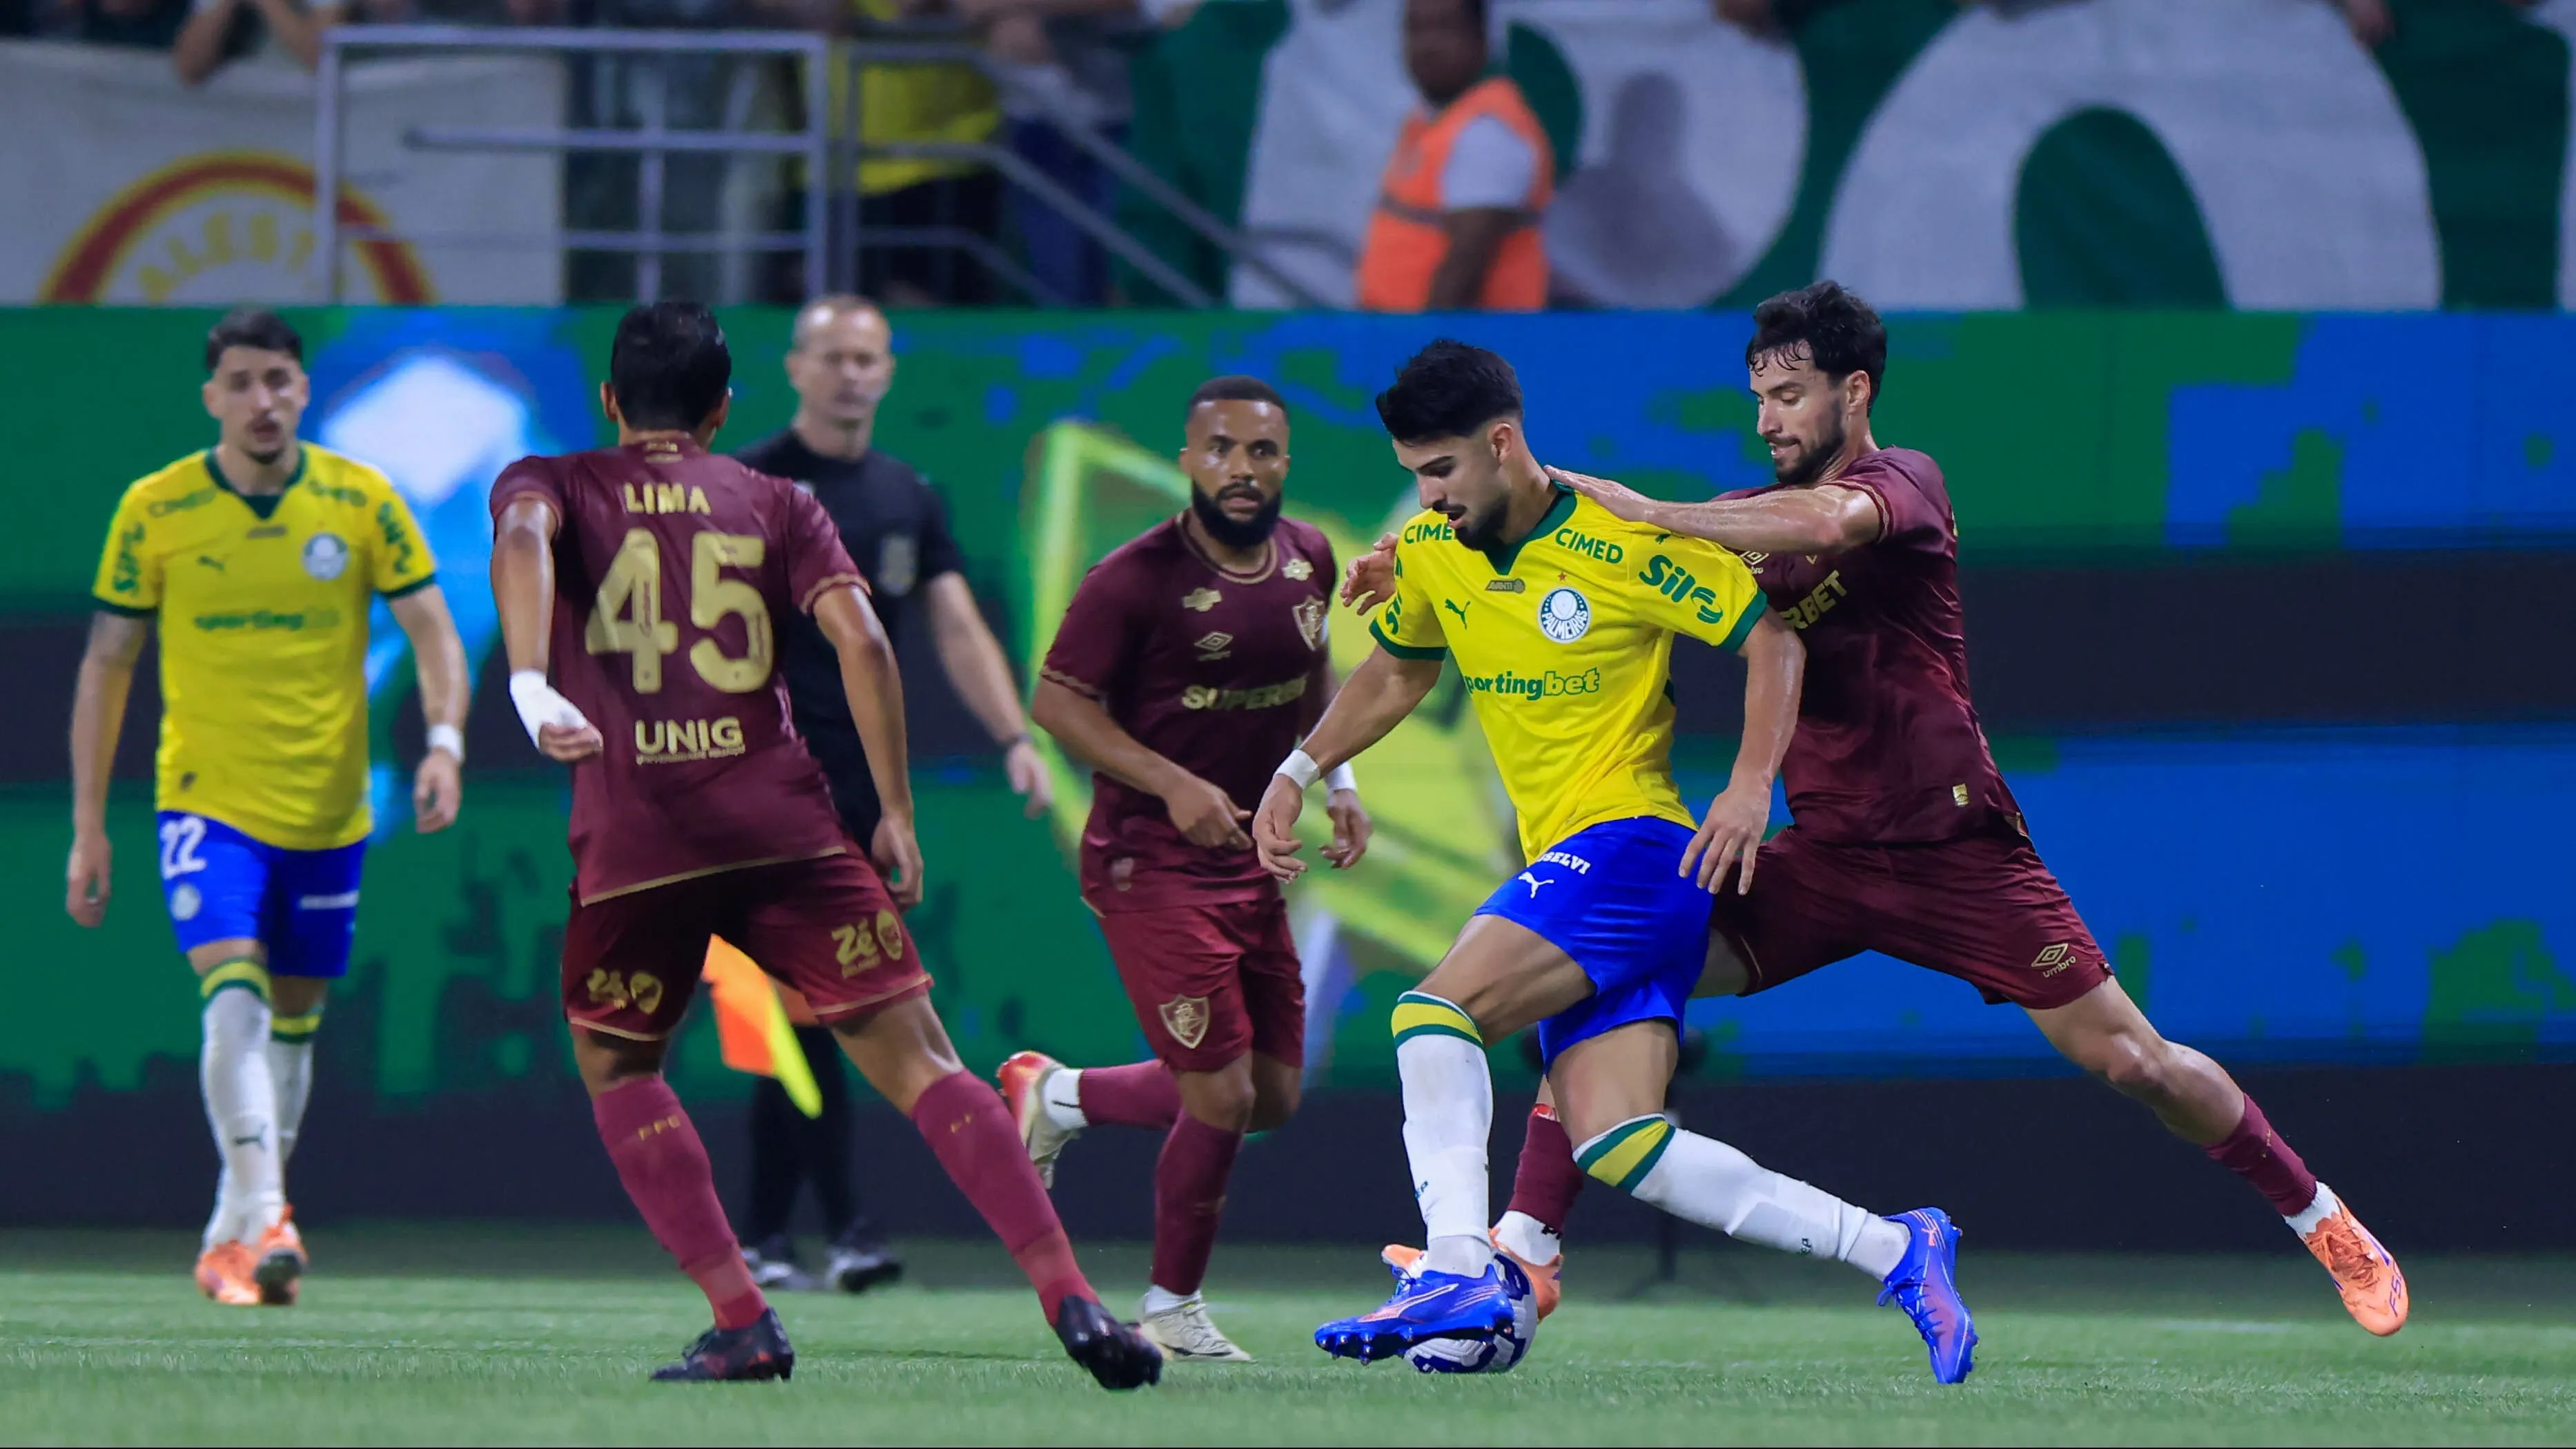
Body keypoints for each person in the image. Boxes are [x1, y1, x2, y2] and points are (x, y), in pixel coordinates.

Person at [1345, 282, 2412, 1339]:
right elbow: (1579, 547)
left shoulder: (1903, 483)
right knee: (1606, 959)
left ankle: (2321, 1215)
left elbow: (1820, 519)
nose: (1769, 419)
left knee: (2135, 1061)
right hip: (1821, 858)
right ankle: (1524, 1247)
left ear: (1854, 392)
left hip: (1956, 852)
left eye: (1793, 395)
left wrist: (1656, 507)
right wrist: (1436, 548)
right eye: (1758, 396)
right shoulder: (1747, 523)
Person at [1270, 340, 1975, 1383]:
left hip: (1635, 850)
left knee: (1433, 1013)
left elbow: (1772, 638)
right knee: (1622, 1146)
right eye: (1416, 472)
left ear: (1502, 443)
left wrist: (1746, 784)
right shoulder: (1432, 547)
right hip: (1588, 868)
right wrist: (1300, 763)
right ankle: (1896, 1244)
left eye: (1441, 470)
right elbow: (1398, 670)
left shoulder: (1617, 538)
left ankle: (1463, 1262)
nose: (1426, 494)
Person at [487, 300, 1158, 1388]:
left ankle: (742, 1315)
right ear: (722, 407)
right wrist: (893, 807)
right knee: (924, 1062)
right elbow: (862, 638)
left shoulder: (551, 481)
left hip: (639, 833)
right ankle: (1072, 1296)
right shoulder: (779, 499)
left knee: (620, 1064)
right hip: (786, 824)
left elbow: (521, 541)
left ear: (611, 401)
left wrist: (527, 683)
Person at [67, 307, 470, 1310]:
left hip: (329, 811)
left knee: (293, 1024)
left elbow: (433, 629)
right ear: (212, 397)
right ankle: (274, 1209)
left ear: (302, 389)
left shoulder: (361, 499)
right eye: (241, 382)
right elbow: (105, 664)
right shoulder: (156, 508)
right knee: (235, 995)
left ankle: (230, 1236)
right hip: (206, 802)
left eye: (279, 380)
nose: (262, 401)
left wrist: (447, 742)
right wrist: (87, 823)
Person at [997, 376, 1370, 1363]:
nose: (1242, 470)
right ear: (1188, 460)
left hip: (1247, 861)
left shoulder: (1310, 556)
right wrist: (1171, 784)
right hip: (1148, 859)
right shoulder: (1134, 577)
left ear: (1286, 462)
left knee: (1275, 1093)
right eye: (1222, 450)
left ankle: (1061, 1096)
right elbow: (1057, 703)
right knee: (1221, 1096)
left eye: (1262, 452)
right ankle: (1170, 1305)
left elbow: (1312, 674)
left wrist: (1338, 777)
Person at [723, 295, 1054, 1295]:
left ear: (890, 370)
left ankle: (777, 1233)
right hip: (758, 783)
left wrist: (1014, 736)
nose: (851, 373)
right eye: (833, 356)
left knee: (824, 1009)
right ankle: (839, 1226)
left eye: (868, 356)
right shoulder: (748, 482)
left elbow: (957, 629)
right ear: (795, 366)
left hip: (867, 794)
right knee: (799, 1009)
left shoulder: (907, 494)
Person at [1354, 0, 1553, 313]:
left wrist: (1424, 358)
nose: (1427, 46)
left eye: (1444, 29)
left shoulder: (1487, 133)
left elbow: (1462, 273)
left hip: (1458, 350)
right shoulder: (1433, 120)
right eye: (1416, 29)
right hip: (1396, 338)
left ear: (1481, 41)